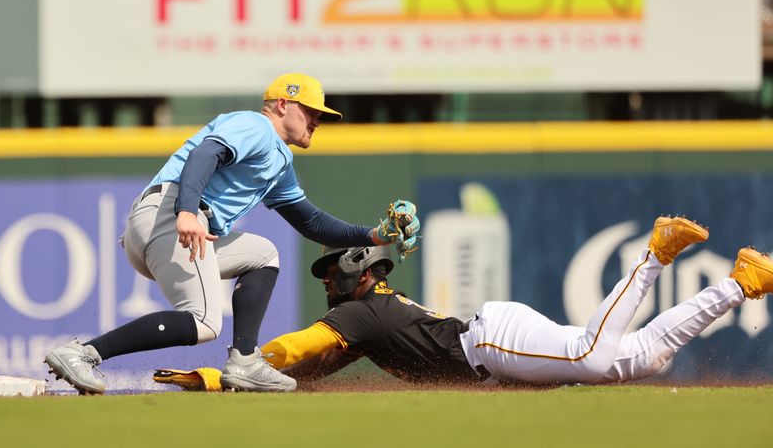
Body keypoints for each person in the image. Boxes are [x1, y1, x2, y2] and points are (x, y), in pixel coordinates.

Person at [44, 72, 420, 395]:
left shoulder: (278, 160)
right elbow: (205, 154)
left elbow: (311, 222)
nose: (317, 119)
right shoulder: (255, 125)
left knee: (264, 254)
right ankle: (83, 353)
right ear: (281, 105)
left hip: (174, 224)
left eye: (321, 114)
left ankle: (244, 361)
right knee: (205, 321)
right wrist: (188, 209)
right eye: (311, 110)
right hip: (172, 213)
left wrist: (376, 234)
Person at [154, 215, 773, 390]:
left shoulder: (360, 310)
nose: (328, 284)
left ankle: (654, 255)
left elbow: (294, 348)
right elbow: (309, 368)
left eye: (332, 274)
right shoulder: (367, 319)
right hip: (494, 342)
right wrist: (229, 383)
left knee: (592, 355)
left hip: (488, 345)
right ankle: (739, 285)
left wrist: (225, 369)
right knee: (641, 360)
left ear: (356, 274)